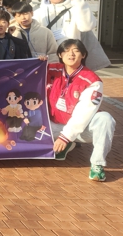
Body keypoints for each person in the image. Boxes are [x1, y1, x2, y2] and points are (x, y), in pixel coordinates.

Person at [46, 39, 115, 182]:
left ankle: (97, 165)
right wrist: (38, 62)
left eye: (76, 51)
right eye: (66, 51)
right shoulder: (51, 70)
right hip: (52, 125)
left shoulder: (93, 80)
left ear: (83, 55)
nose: (71, 54)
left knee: (105, 119)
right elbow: (27, 74)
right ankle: (67, 144)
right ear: (60, 54)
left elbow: (83, 113)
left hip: (81, 130)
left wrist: (66, 136)